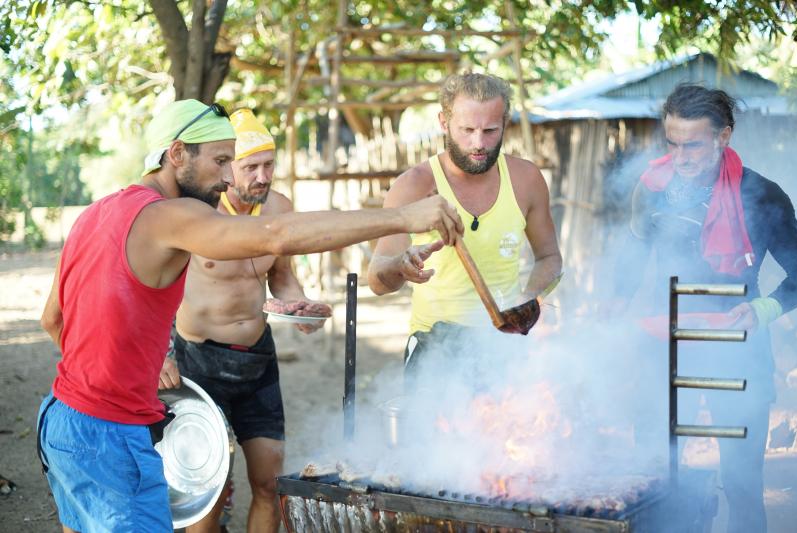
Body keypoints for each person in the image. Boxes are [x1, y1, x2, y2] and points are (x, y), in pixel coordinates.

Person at [37, 99, 463, 533]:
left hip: (62, 421)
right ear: (177, 153)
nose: (228, 177)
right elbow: (275, 236)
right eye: (221, 160)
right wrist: (402, 217)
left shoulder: (94, 213)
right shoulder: (168, 215)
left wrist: (113, 372)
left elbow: (53, 319)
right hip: (112, 436)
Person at [615, 84, 797, 533]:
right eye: (672, 143)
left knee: (740, 486)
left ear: (724, 136)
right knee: (659, 481)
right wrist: (614, 325)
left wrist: (762, 310)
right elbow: (628, 267)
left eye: (693, 144)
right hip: (664, 347)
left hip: (739, 349)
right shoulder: (652, 190)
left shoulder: (763, 195)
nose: (681, 156)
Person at [158, 109, 326, 533]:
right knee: (208, 493)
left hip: (258, 358)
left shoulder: (280, 209)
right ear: (228, 165)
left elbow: (283, 278)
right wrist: (159, 354)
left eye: (269, 164)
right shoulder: (197, 212)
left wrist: (301, 308)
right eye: (251, 166)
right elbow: (155, 289)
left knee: (269, 483)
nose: (262, 176)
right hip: (199, 361)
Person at [367, 73, 562, 384]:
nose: (479, 143)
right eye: (467, 130)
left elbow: (550, 257)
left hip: (504, 343)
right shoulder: (414, 185)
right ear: (444, 122)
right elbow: (377, 281)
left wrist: (524, 302)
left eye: (490, 130)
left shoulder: (526, 180)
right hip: (434, 347)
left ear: (505, 123)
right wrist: (399, 267)